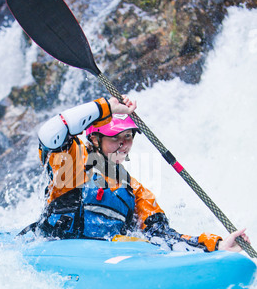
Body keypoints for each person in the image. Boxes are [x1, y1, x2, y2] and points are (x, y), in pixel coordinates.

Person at [36, 95, 250, 253]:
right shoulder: (73, 163)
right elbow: (50, 134)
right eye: (115, 138)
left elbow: (162, 236)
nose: (123, 144)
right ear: (94, 139)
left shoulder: (133, 189)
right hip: (59, 250)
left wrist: (219, 246)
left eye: (128, 137)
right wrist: (107, 107)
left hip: (105, 259)